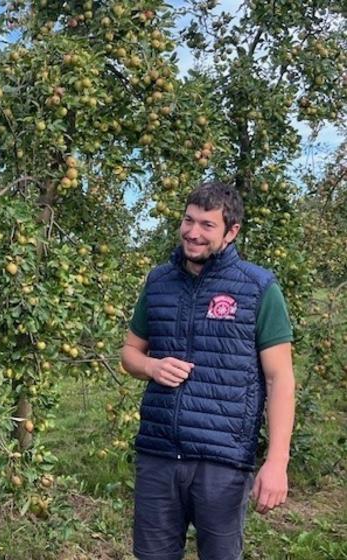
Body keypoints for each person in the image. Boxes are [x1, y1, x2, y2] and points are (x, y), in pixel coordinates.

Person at [121, 181, 295, 560]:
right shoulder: (158, 283)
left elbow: (279, 377)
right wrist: (151, 365)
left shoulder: (258, 288)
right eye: (188, 220)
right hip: (159, 454)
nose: (193, 232)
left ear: (232, 232)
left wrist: (277, 461)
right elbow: (130, 353)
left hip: (223, 461)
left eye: (207, 225)